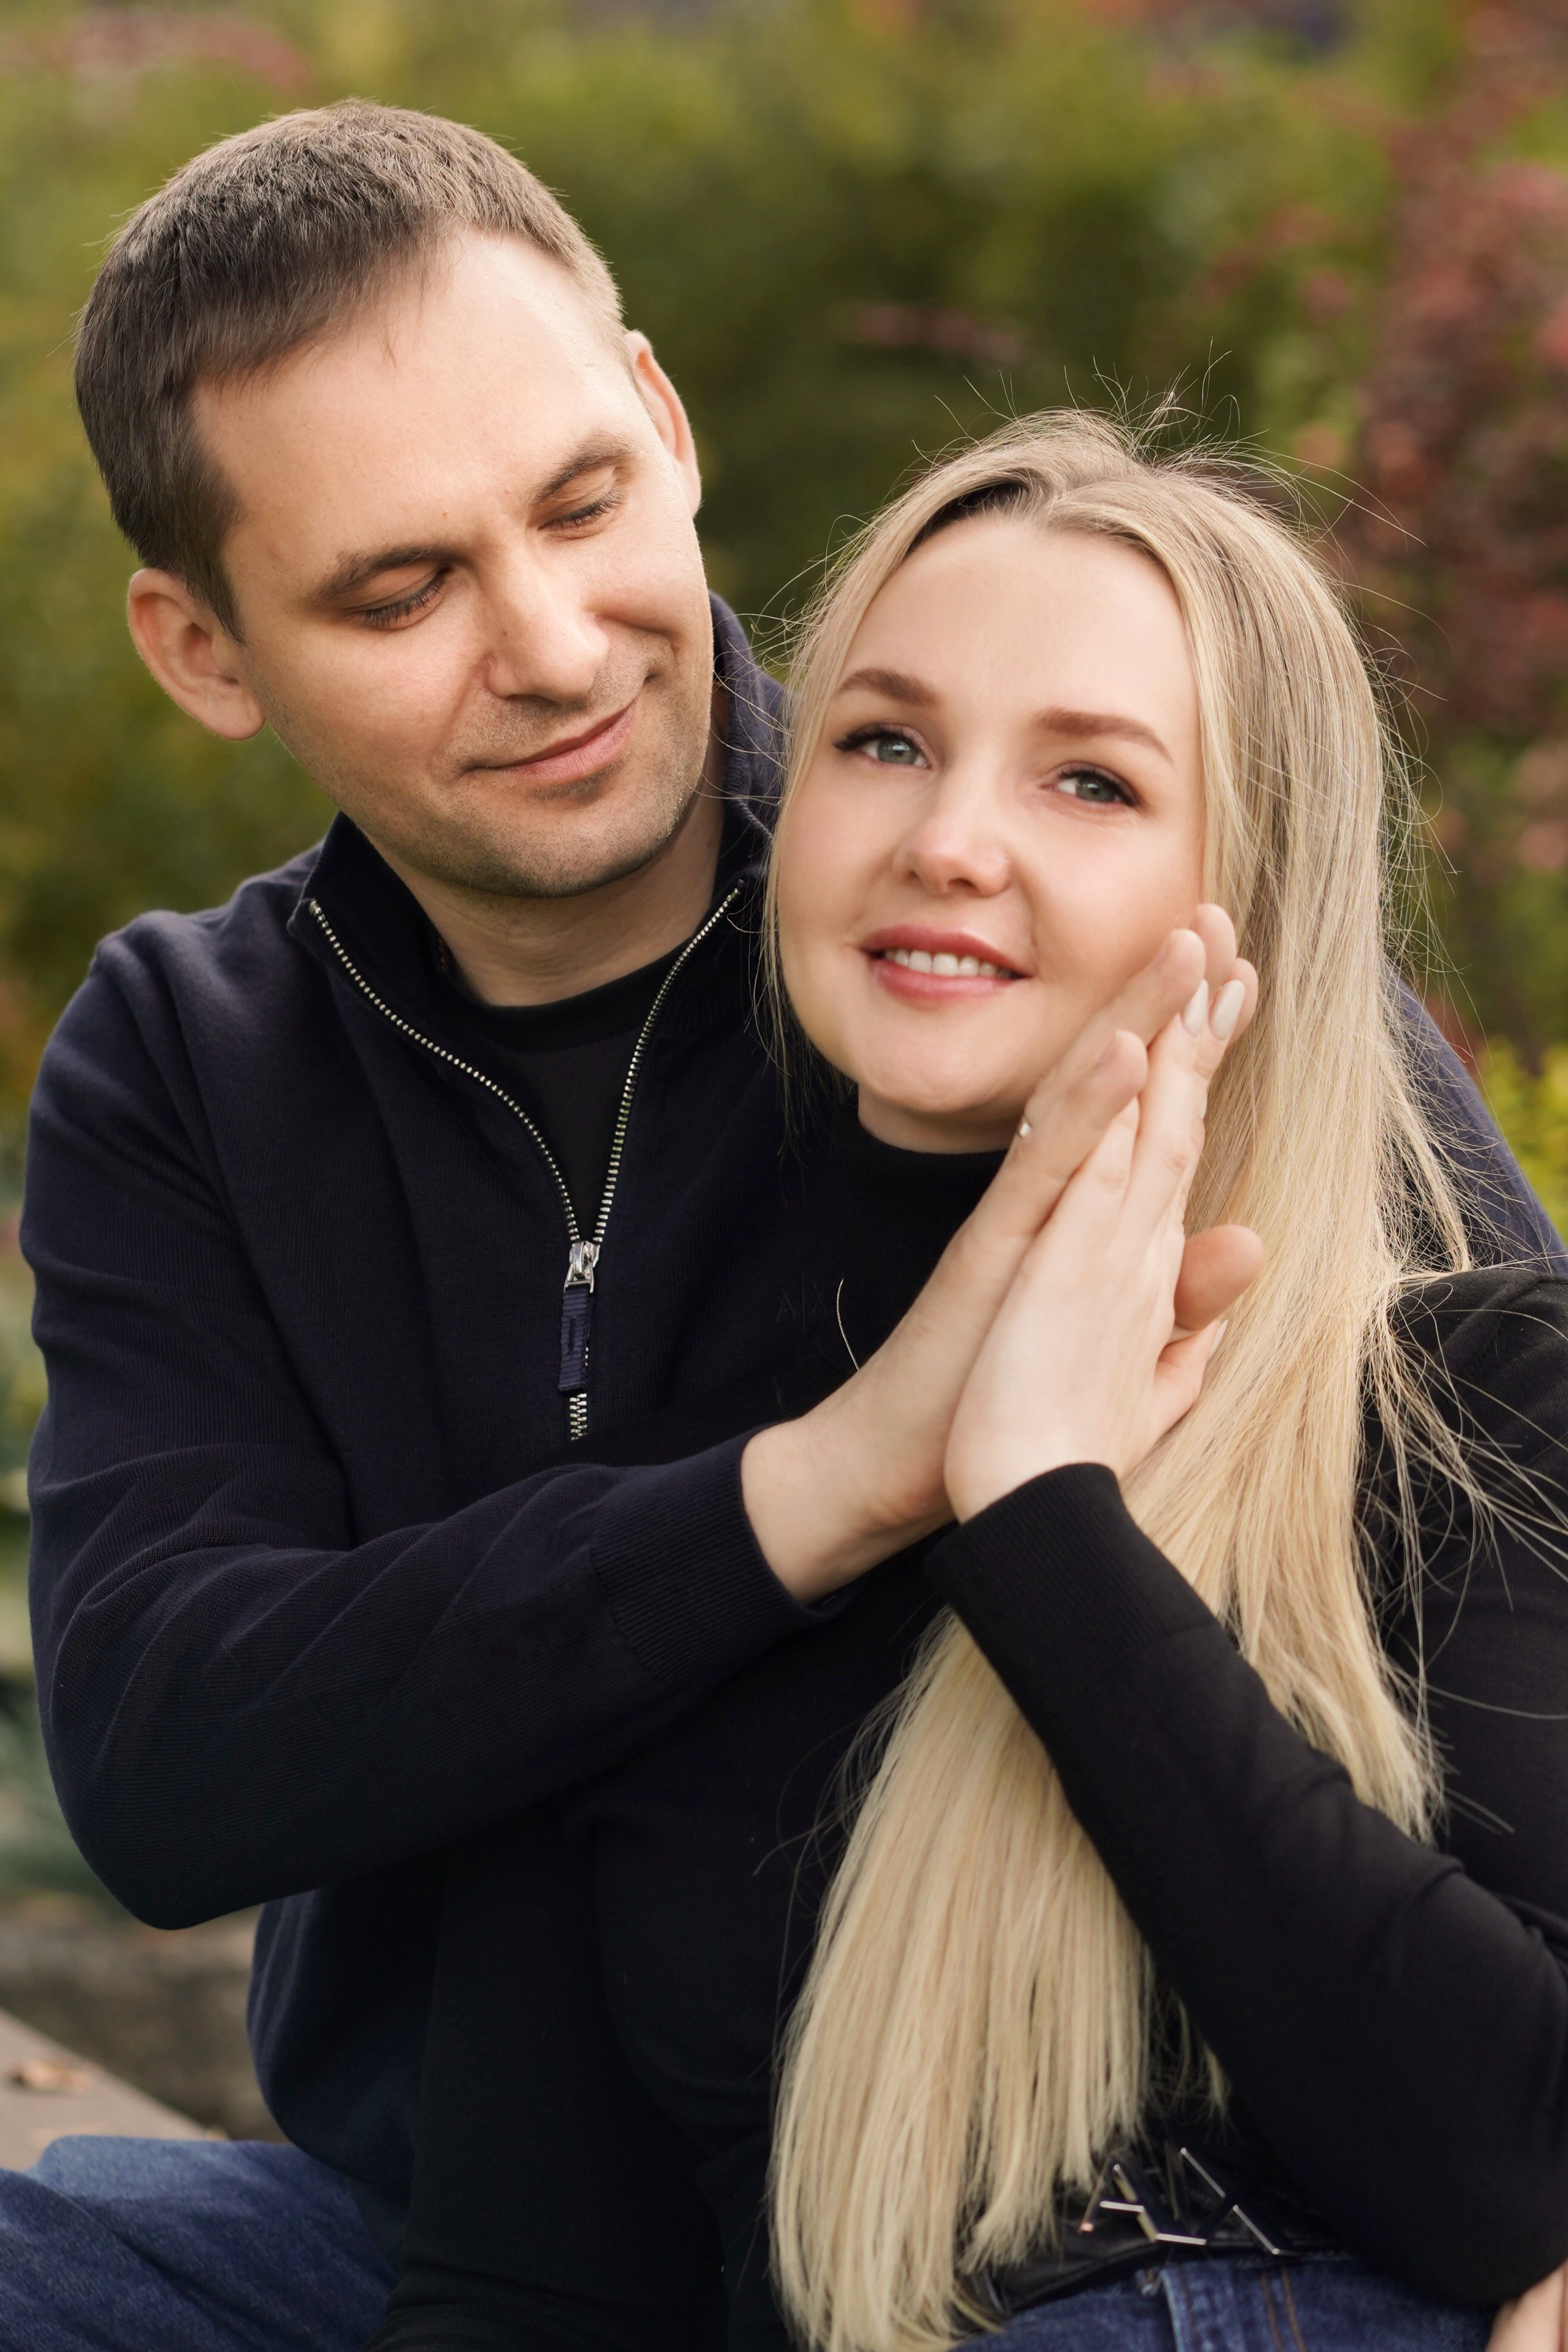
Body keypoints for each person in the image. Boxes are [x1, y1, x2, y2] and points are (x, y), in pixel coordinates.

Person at [7, 99, 1557, 2352]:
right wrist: (844, 1475)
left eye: (578, 501)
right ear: (204, 649)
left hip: (1180, 2218)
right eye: (401, 589)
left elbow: (1487, 1486)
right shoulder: (194, 1055)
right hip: (503, 2202)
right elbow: (163, 1752)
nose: (550, 644)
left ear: (662, 412)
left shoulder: (1075, 962)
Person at [366, 415, 1568, 2352]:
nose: (948, 838)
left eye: (1091, 780)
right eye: (886, 740)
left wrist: (1040, 1519)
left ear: (1248, 892)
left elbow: (1513, 2163)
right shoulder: (680, 1504)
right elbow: (526, 2282)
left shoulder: (1473, 1401)